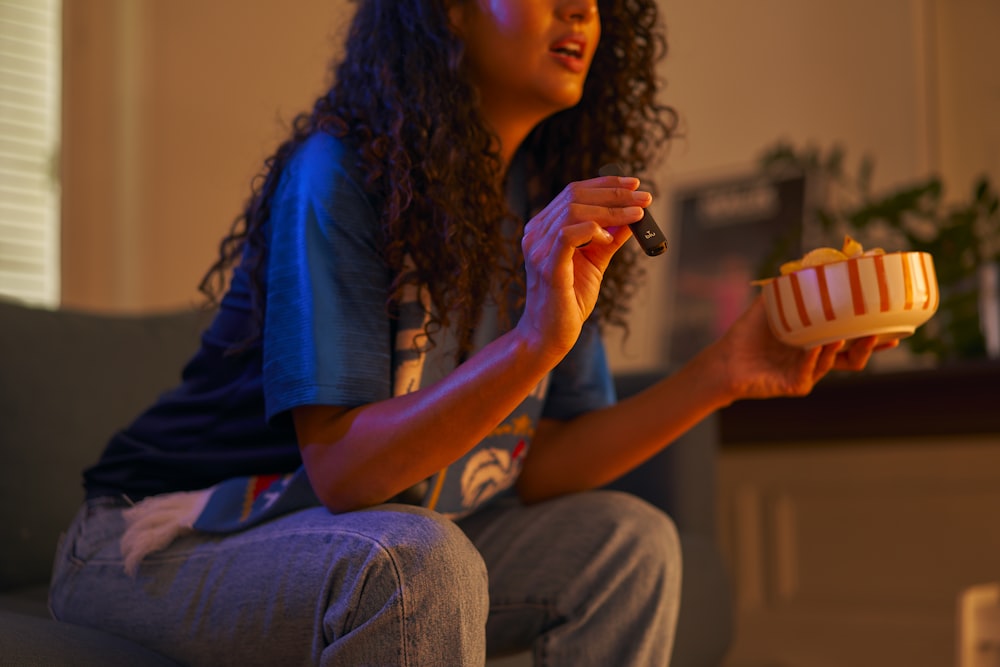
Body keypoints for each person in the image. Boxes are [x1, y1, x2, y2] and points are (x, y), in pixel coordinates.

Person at [49, 1, 888, 665]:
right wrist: (532, 341)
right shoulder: (339, 173)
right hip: (165, 539)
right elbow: (344, 470)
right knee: (419, 561)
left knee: (629, 542)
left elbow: (538, 458)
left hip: (360, 532)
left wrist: (726, 370)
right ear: (448, 9)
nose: (580, 9)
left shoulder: (541, 200)